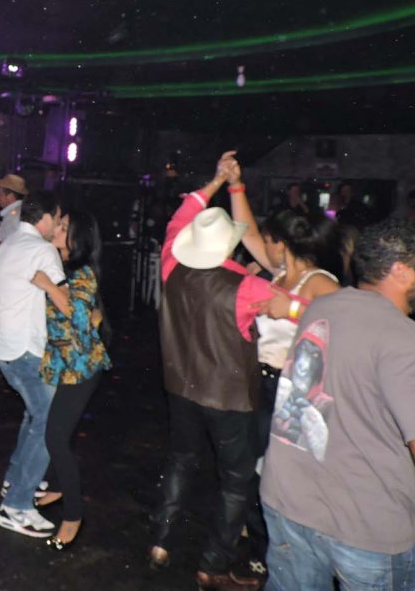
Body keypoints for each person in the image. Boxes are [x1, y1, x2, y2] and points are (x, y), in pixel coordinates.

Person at [260, 219, 415, 591]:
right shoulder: (408, 340)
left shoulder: (322, 308)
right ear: (400, 271)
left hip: (288, 501)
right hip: (365, 527)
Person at [149, 151, 283, 591]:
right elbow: (300, 305)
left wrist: (217, 179)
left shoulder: (171, 261)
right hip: (228, 397)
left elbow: (182, 213)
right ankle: (213, 563)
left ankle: (161, 542)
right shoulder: (248, 286)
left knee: (181, 460)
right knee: (236, 481)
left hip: (181, 387)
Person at [228, 170, 343, 582]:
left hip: (294, 389)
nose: (264, 245)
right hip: (261, 383)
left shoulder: (319, 281)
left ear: (283, 243)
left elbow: (344, 319)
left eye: (270, 240)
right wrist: (235, 185)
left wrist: (291, 309)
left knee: (276, 475)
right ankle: (264, 546)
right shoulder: (278, 275)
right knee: (254, 468)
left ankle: (277, 554)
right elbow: (247, 233)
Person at [31, 210, 111, 551]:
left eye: (64, 227)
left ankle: (74, 515)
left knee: (55, 437)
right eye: (59, 224)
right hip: (63, 363)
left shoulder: (82, 271)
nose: (57, 229)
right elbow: (89, 314)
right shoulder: (62, 266)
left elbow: (79, 318)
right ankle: (60, 486)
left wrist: (48, 286)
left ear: (78, 237)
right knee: (56, 433)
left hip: (80, 367)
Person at [0, 190, 64, 538]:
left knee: (35, 414)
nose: (58, 225)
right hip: (24, 350)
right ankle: (16, 506)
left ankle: (15, 479)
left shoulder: (8, 244)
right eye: (57, 219)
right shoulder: (42, 249)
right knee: (50, 421)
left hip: (4, 347)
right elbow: (68, 303)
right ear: (45, 218)